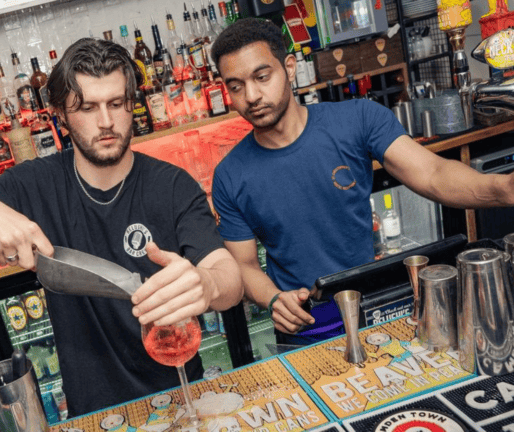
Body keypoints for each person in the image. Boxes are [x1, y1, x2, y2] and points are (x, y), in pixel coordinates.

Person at [0, 38, 242, 416]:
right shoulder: (33, 184)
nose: (106, 122)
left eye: (116, 104)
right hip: (93, 413)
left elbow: (229, 278)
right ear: (60, 115)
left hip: (181, 397)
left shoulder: (171, 185)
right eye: (87, 108)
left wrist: (207, 284)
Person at [209, 18, 514, 346]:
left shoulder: (357, 119)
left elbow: (433, 173)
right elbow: (243, 265)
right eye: (236, 86)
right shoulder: (230, 175)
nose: (251, 96)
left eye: (262, 77)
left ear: (290, 68)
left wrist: (502, 188)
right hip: (305, 324)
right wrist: (272, 298)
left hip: (376, 308)